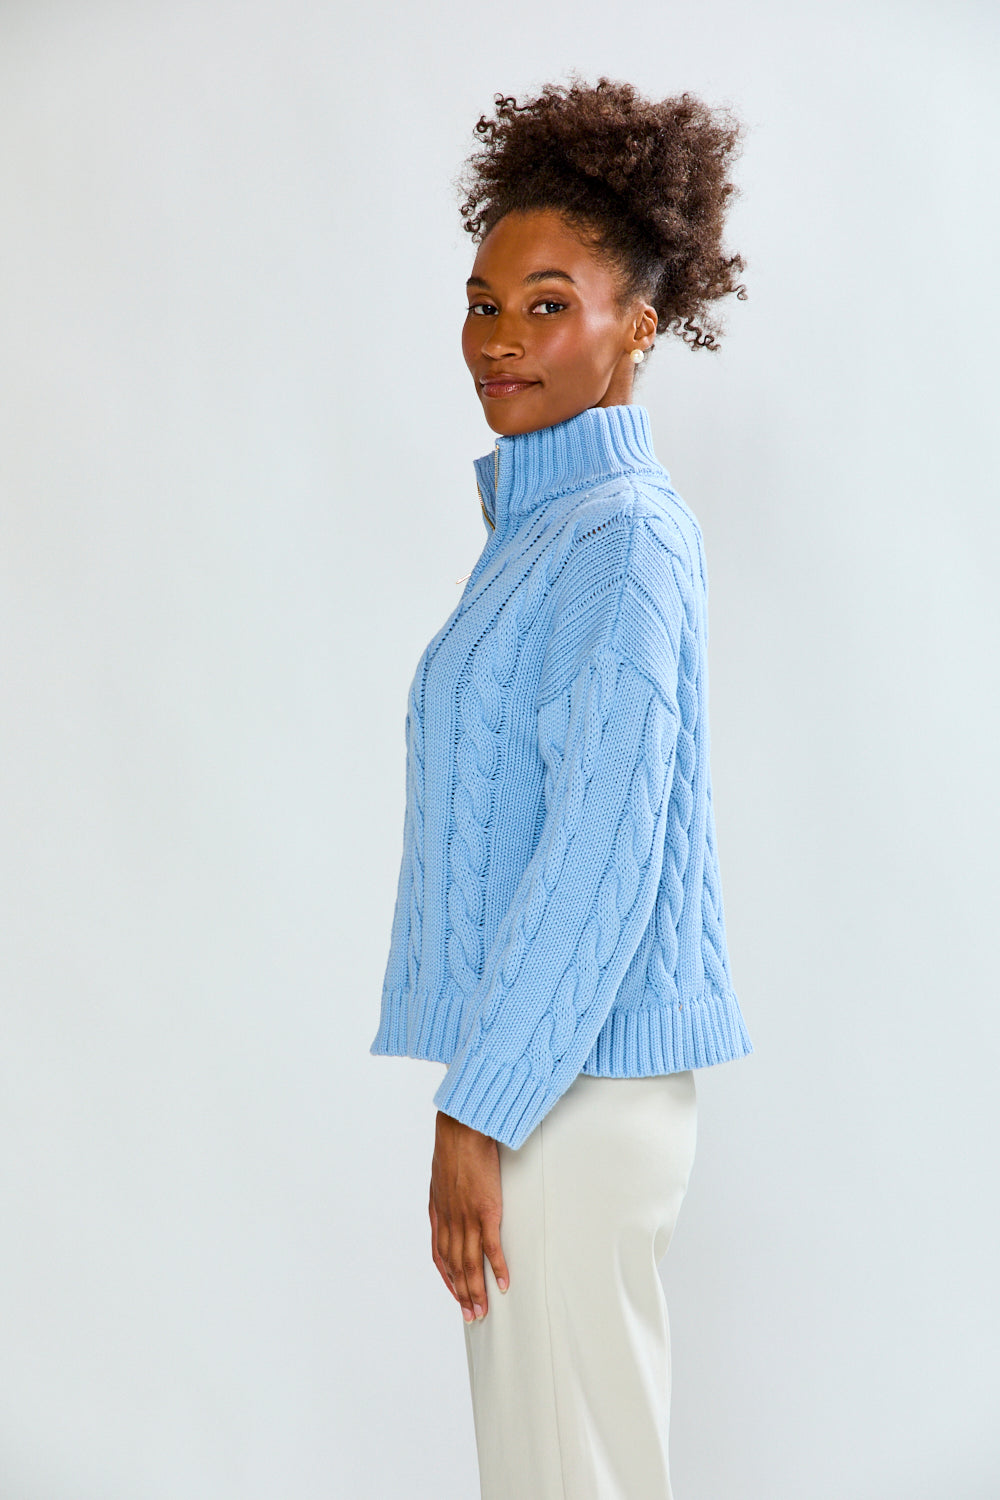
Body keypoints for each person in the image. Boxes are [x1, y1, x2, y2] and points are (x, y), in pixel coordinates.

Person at [369, 74, 754, 1499]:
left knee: (567, 1478)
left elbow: (600, 850)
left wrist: (483, 1108)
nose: (499, 339)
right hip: (548, 1083)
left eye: (548, 303)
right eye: (483, 301)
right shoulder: (546, 532)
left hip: (566, 1098)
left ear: (637, 326)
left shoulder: (623, 541)